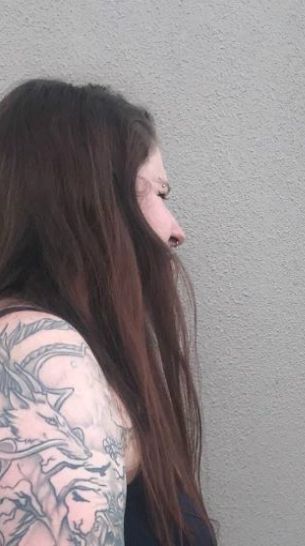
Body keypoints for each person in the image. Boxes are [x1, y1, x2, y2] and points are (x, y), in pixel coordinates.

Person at [0, 79, 215, 545]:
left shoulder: (79, 356)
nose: (175, 231)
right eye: (159, 193)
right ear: (90, 202)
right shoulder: (41, 356)